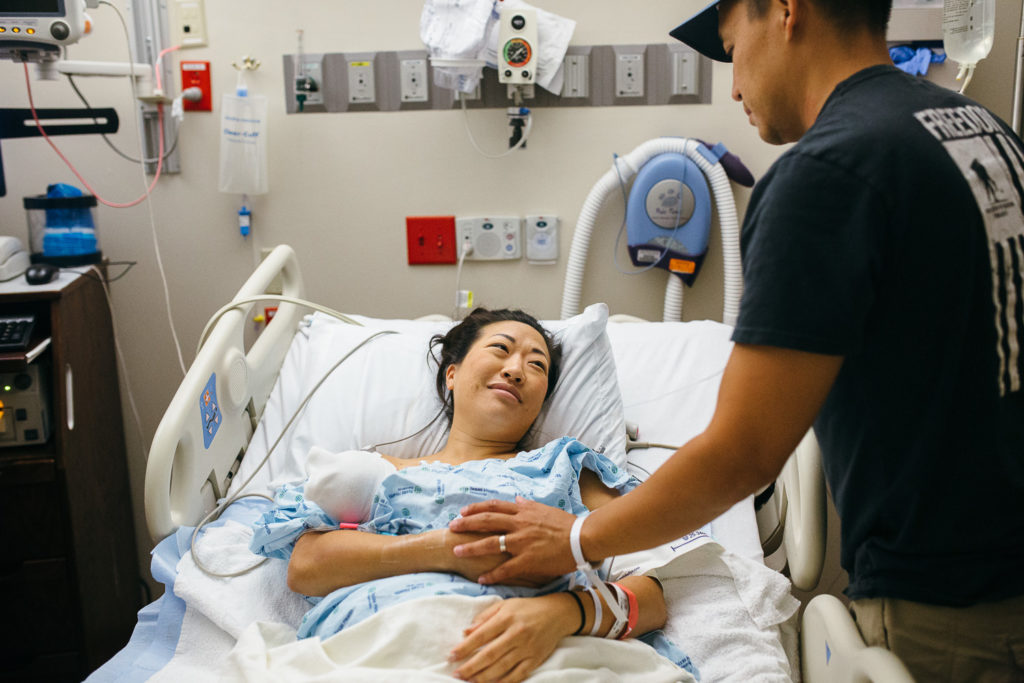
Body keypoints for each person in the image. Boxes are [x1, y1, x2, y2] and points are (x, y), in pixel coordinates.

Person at [448, 2, 1024, 680]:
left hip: (952, 607)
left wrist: (577, 538)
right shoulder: (978, 129)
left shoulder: (828, 175)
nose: (735, 87)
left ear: (784, 11)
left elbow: (744, 453)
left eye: (731, 49)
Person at [249, 308, 691, 683]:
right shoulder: (371, 473)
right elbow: (306, 568)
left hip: (540, 655)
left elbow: (649, 596)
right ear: (453, 374)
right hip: (380, 648)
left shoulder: (567, 470)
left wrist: (560, 614)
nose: (516, 369)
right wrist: (446, 550)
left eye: (537, 366)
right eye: (501, 349)